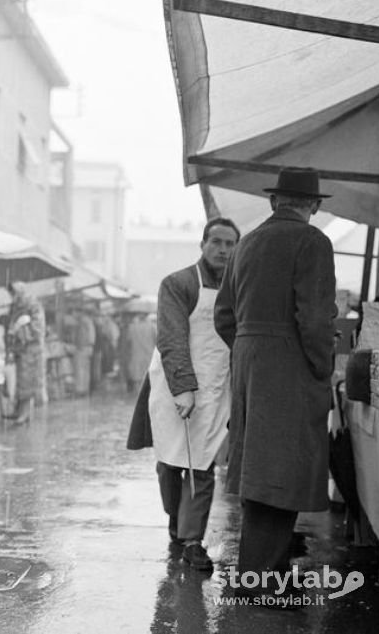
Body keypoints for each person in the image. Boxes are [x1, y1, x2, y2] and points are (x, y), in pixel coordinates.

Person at [214, 168, 338, 605]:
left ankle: (267, 572)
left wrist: (251, 348)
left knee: (259, 471)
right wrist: (322, 367)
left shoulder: (245, 242)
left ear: (273, 202)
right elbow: (316, 319)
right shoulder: (313, 242)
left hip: (250, 364)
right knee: (282, 470)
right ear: (315, 206)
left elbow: (223, 316)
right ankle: (261, 583)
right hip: (289, 366)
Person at [147, 217, 240, 569]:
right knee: (170, 464)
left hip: (217, 388)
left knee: (202, 464)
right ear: (202, 244)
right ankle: (177, 520)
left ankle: (192, 541)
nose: (223, 250)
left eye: (230, 244)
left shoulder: (239, 289)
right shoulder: (178, 283)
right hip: (175, 383)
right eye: (216, 242)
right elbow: (171, 337)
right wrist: (183, 388)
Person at [5, 281, 46, 425]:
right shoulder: (14, 307)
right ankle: (19, 410)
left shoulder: (33, 305)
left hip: (31, 350)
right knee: (20, 381)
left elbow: (38, 328)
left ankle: (25, 412)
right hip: (19, 350)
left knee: (28, 381)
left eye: (14, 293)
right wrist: (11, 342)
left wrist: (23, 329)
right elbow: (9, 326)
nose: (12, 296)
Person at [125, 313, 156, 393]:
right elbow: (157, 339)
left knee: (137, 377)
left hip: (136, 354)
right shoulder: (152, 326)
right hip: (149, 354)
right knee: (148, 377)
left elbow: (128, 341)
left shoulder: (132, 327)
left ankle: (137, 396)